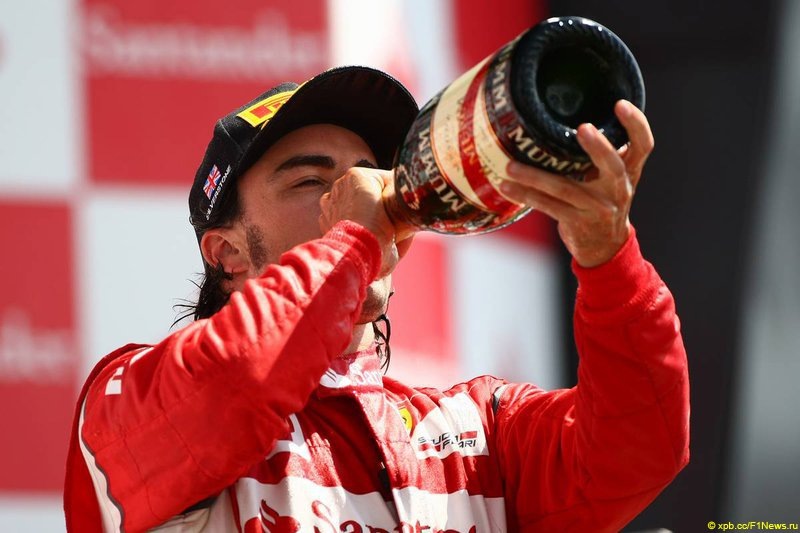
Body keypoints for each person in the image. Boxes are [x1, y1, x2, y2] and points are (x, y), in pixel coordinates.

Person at [63, 66, 689, 532]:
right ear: (227, 252)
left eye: (369, 173)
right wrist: (353, 241)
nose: (364, 192)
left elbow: (641, 449)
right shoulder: (128, 399)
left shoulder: (480, 430)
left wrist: (607, 256)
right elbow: (237, 379)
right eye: (313, 180)